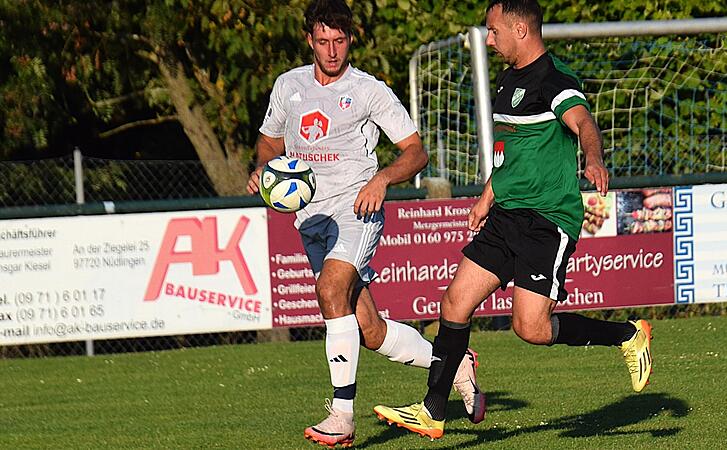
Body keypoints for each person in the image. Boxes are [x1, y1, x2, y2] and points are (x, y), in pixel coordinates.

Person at [373, 0, 653, 440]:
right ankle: (432, 411)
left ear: (520, 30)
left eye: (493, 30)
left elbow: (584, 123)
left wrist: (594, 159)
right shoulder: (507, 80)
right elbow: (510, 156)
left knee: (531, 328)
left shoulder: (554, 79)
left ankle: (627, 335)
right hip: (505, 215)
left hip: (546, 220)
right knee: (454, 304)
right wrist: (487, 197)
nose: (488, 40)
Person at [246, 0, 485, 447]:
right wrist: (263, 170)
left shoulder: (368, 90)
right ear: (309, 40)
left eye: (339, 41)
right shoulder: (289, 85)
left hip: (357, 210)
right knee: (371, 330)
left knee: (330, 289)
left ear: (350, 39)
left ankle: (342, 415)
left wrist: (382, 178)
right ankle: (454, 363)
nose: (331, 50)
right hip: (311, 218)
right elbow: (268, 142)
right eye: (323, 41)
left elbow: (416, 151)